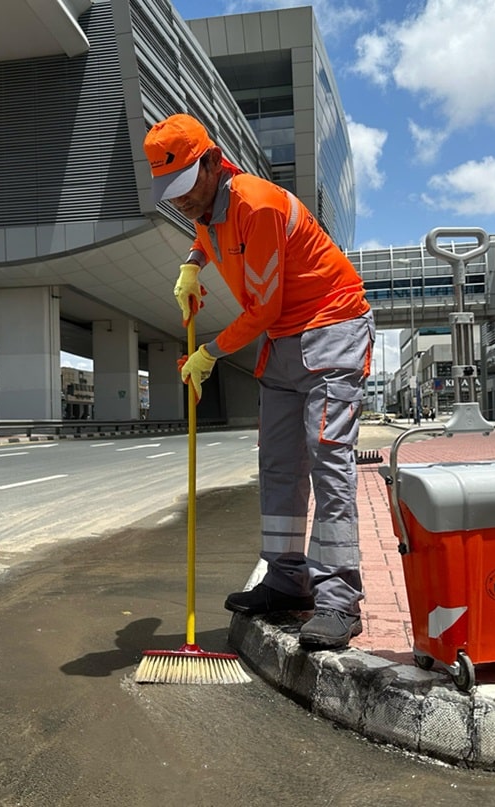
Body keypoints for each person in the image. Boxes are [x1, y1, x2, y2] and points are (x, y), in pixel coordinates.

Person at [143, 113, 375, 650]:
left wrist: (207, 354)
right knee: (276, 460)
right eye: (169, 192)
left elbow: (264, 309)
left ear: (209, 163)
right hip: (286, 340)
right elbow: (206, 231)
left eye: (183, 189)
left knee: (327, 458)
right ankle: (286, 580)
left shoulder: (257, 203)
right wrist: (192, 264)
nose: (179, 201)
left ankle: (339, 598)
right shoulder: (206, 204)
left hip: (330, 324)